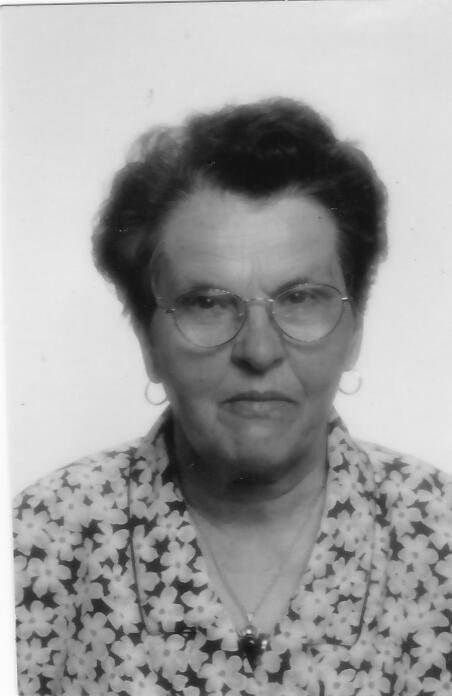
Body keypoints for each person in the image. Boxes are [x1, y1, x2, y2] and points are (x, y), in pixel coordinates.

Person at [14, 98, 452, 696]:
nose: (259, 350)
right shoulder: (35, 546)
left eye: (300, 298)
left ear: (356, 331)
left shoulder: (440, 534)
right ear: (146, 339)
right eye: (208, 303)